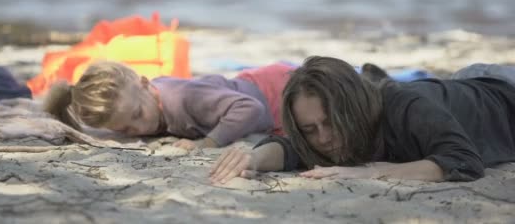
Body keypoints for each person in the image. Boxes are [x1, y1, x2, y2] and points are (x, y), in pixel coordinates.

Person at [209, 57, 515, 183]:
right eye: (310, 129)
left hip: (502, 95)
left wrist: (373, 173)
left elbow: (464, 161)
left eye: (329, 123)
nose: (324, 138)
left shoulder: (405, 108)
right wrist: (253, 158)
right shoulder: (329, 134)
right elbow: (290, 148)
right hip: (458, 89)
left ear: (351, 107)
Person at [43, 60, 294, 150]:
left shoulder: (184, 98)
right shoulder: (144, 99)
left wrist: (208, 143)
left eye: (138, 114)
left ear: (143, 83)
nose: (140, 128)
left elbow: (250, 108)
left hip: (278, 90)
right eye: (126, 130)